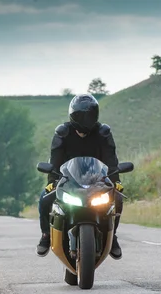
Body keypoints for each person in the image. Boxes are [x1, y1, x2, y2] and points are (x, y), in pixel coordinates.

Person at [36, 93, 124, 259]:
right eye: (81, 115)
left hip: (98, 180)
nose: (85, 119)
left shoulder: (103, 133)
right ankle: (46, 236)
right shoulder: (63, 133)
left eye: (89, 115)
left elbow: (111, 160)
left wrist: (116, 180)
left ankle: (112, 237)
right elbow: (55, 162)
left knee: (118, 199)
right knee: (44, 198)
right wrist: (52, 182)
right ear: (72, 115)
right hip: (68, 180)